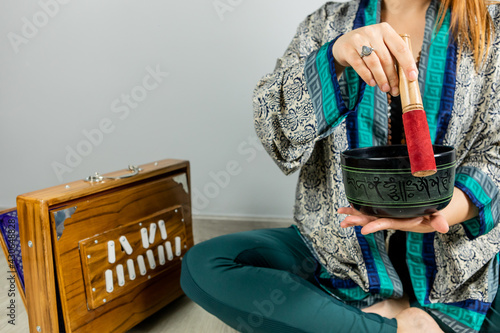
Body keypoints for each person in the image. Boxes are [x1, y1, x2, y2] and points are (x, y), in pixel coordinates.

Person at [181, 0, 500, 332]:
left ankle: (362, 321)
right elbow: (275, 133)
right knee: (205, 265)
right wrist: (332, 59)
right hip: (339, 253)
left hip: (460, 263)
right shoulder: (324, 23)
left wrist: (444, 213)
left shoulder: (492, 24)